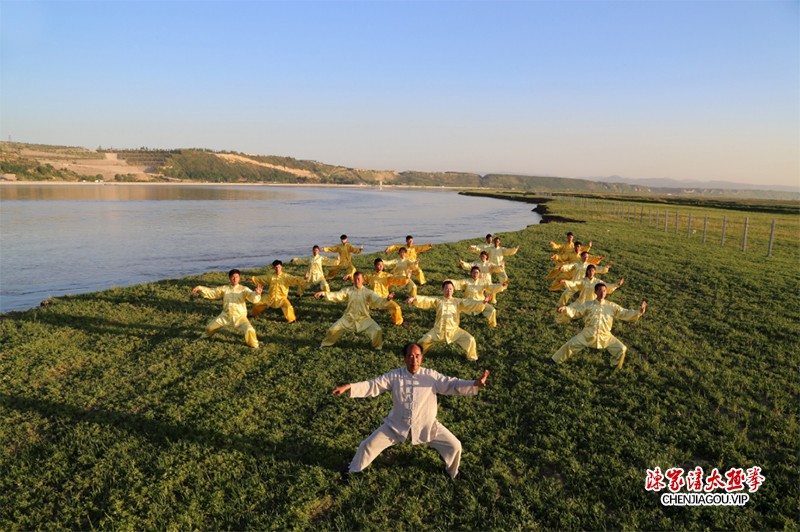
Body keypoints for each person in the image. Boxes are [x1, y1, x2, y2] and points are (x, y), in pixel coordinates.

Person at [332, 342, 490, 479]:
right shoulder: (395, 376)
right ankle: (352, 470)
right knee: (367, 445)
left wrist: (475, 383)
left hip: (426, 425)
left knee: (455, 446)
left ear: (422, 357)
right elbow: (373, 385)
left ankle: (453, 473)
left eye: (417, 356)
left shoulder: (431, 376)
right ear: (405, 358)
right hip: (397, 425)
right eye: (410, 356)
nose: (414, 360)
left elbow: (452, 384)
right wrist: (349, 387)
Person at [552, 283, 646, 369]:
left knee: (622, 349)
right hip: (588, 334)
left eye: (604, 290)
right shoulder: (588, 304)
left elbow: (624, 312)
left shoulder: (611, 306)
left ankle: (615, 366)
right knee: (569, 345)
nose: (602, 292)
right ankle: (554, 360)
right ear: (595, 292)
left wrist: (639, 312)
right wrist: (565, 309)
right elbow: (576, 311)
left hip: (606, 336)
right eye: (600, 290)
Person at [407, 280, 490, 361]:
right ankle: (418, 356)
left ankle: (472, 358)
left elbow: (469, 303)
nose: (448, 291)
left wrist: (482, 302)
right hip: (437, 331)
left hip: (454, 331)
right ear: (442, 290)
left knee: (470, 339)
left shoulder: (457, 302)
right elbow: (427, 299)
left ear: (453, 290)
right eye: (446, 288)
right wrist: (414, 298)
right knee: (422, 342)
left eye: (450, 289)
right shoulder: (438, 300)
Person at [314, 271, 394, 350]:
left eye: (359, 279)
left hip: (363, 318)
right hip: (348, 318)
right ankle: (325, 344)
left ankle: (377, 347)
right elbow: (337, 295)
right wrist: (324, 293)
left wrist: (386, 299)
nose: (357, 281)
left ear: (363, 280)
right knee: (333, 329)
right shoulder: (348, 290)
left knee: (377, 330)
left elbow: (377, 300)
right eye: (355, 279)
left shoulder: (368, 292)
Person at [191, 269, 263, 349]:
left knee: (250, 330)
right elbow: (213, 292)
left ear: (239, 278)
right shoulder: (224, 288)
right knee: (209, 328)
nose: (235, 279)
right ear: (229, 278)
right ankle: (205, 337)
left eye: (236, 277)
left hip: (240, 317)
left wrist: (257, 293)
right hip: (225, 316)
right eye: (233, 277)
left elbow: (252, 297)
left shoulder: (243, 289)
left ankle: (254, 345)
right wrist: (200, 288)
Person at [364, 258, 412, 326]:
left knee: (396, 308)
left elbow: (395, 278)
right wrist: (350, 276)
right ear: (375, 266)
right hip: (373, 301)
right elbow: (359, 279)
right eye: (378, 265)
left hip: (385, 299)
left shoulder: (386, 276)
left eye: (381, 265)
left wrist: (405, 278)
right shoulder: (370, 276)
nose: (380, 267)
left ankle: (398, 322)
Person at [555, 264, 623, 308]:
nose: (591, 272)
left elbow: (606, 285)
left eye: (593, 271)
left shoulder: (597, 281)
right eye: (589, 271)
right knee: (569, 309)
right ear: (587, 271)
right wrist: (566, 282)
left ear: (594, 272)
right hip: (581, 303)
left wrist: (617, 285)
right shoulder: (583, 280)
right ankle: (560, 307)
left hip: (593, 304)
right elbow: (574, 283)